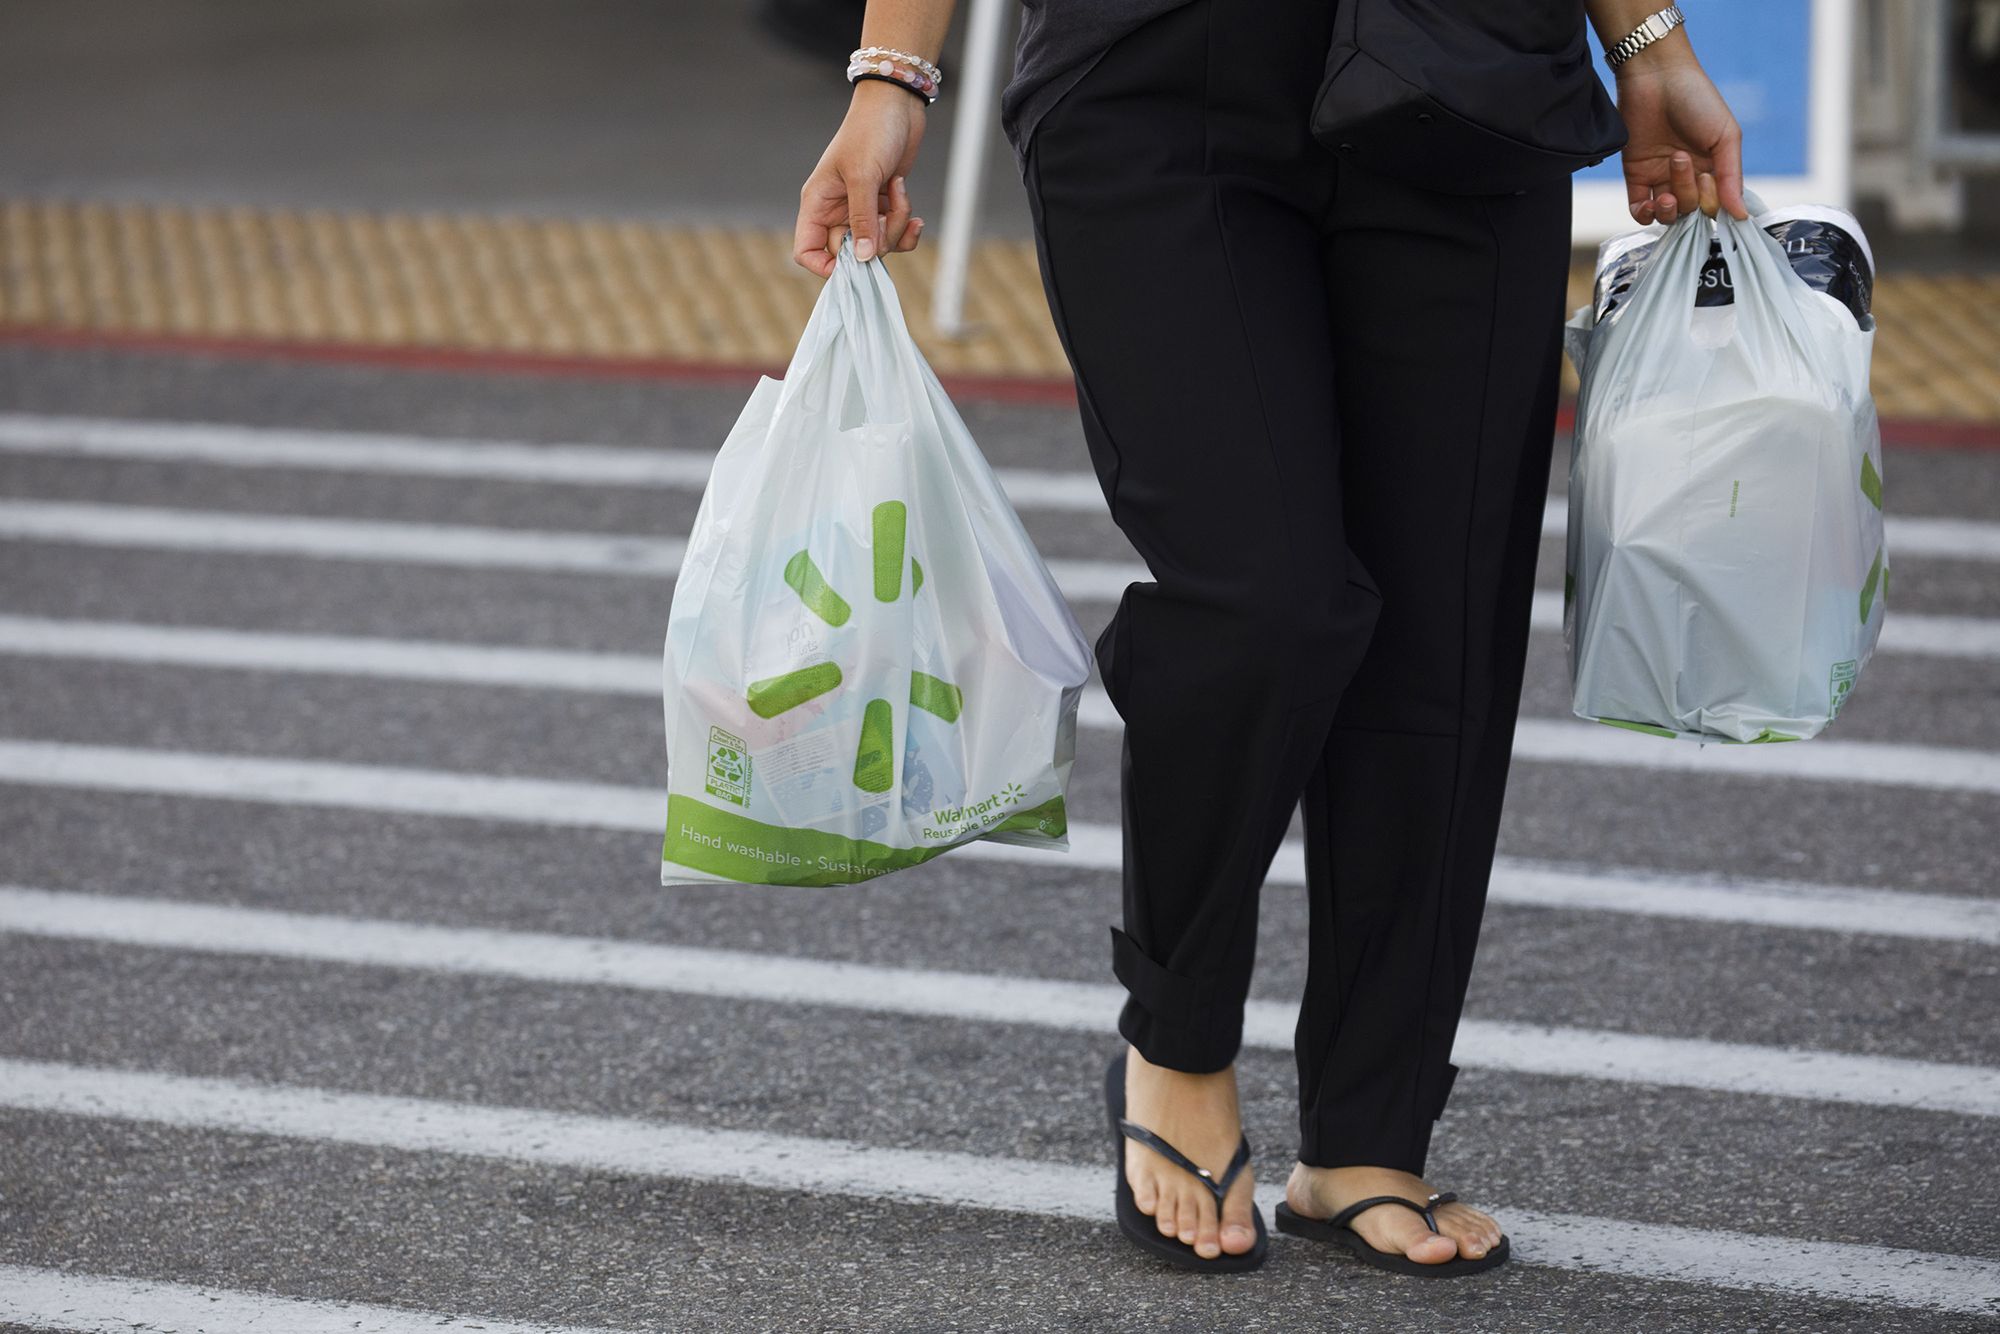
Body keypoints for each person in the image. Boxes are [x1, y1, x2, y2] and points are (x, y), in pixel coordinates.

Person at [794, 0, 1746, 1275]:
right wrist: (891, 72)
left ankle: (1368, 1127)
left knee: (1441, 625)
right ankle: (1177, 1034)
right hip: (1155, 67)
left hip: (1465, 63)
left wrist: (1646, 42)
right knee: (1259, 596)